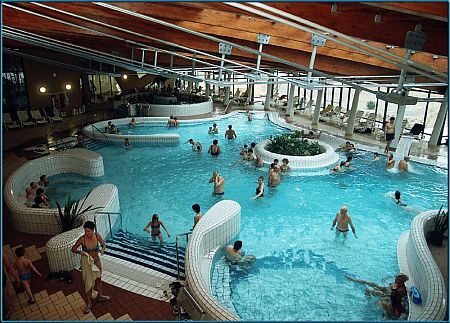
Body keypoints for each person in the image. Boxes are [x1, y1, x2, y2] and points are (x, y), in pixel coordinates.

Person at [71, 221, 109, 314]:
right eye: (85, 231)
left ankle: (100, 296)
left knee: (98, 279)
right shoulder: (82, 239)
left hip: (96, 261)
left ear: (92, 230)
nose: (86, 233)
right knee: (88, 283)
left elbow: (104, 244)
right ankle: (88, 303)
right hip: (87, 264)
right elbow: (73, 249)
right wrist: (81, 252)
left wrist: (102, 250)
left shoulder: (97, 236)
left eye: (88, 231)